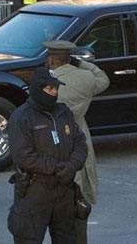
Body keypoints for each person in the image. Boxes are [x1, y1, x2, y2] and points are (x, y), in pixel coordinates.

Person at [7, 67, 88, 243]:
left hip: (64, 190)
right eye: (49, 89)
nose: (54, 93)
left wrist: (72, 166)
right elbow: (24, 155)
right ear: (37, 89)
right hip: (35, 190)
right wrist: (57, 168)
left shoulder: (63, 112)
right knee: (28, 238)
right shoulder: (22, 117)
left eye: (56, 89)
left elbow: (81, 143)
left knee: (67, 238)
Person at [44, 40, 110, 244]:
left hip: (54, 138)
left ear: (51, 60)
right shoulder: (85, 77)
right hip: (79, 132)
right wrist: (80, 63)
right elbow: (103, 79)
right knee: (79, 193)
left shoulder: (48, 81)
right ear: (68, 58)